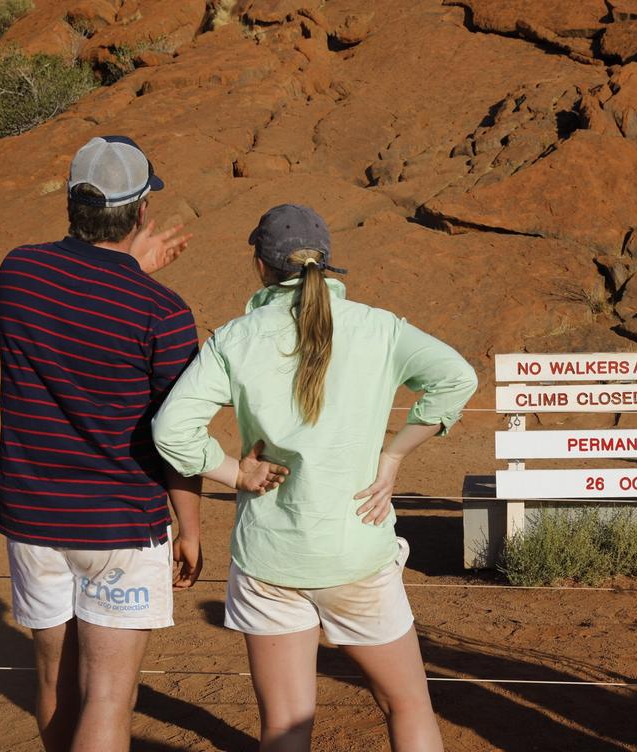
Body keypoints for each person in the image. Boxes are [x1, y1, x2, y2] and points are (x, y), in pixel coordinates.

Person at [0, 135, 281, 752]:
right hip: (121, 526)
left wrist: (127, 268)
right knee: (108, 697)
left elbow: (78, 295)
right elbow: (175, 435)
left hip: (32, 518)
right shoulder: (163, 313)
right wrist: (192, 526)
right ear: (143, 212)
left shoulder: (17, 273)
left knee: (53, 682)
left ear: (73, 201)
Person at [152, 204, 478, 752]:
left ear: (260, 265)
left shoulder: (234, 339)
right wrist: (393, 455)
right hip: (357, 548)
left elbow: (171, 430)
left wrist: (236, 472)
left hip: (268, 559)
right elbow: (457, 378)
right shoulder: (379, 327)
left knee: (285, 725)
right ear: (327, 265)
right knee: (406, 705)